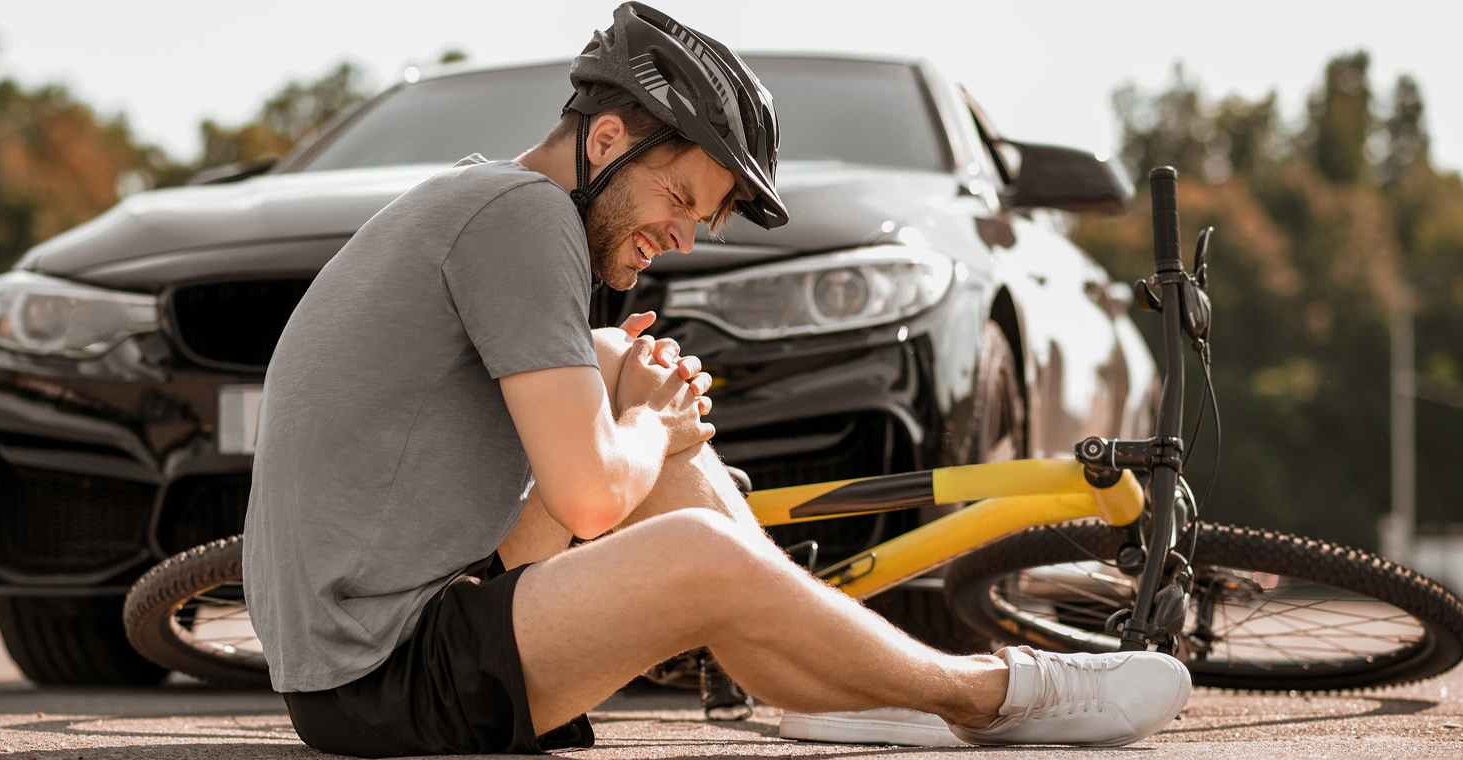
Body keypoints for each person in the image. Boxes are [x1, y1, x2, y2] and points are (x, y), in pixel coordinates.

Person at [242, 2, 1193, 756]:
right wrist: (653, 425)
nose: (682, 236)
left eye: (702, 218)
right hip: (387, 677)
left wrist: (632, 393)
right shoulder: (522, 217)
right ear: (606, 141)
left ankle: (835, 691)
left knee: (619, 364)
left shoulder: (480, 198)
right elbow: (585, 493)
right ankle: (987, 697)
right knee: (696, 544)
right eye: (680, 197)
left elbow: (569, 441)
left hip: (369, 658)